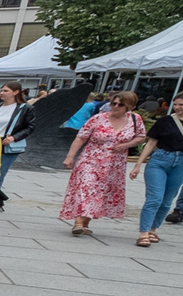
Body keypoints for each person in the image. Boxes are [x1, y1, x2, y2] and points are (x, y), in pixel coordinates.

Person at [61, 90, 145, 235]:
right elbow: (81, 137)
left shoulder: (135, 119)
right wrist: (70, 156)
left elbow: (141, 136)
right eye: (113, 103)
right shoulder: (98, 118)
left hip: (114, 165)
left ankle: (85, 223)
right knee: (87, 187)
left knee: (100, 192)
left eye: (120, 105)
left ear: (130, 106)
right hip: (91, 159)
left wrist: (126, 145)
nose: (115, 106)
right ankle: (78, 222)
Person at [132, 89, 183, 244]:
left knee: (167, 201)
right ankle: (143, 232)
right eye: (175, 104)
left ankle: (153, 229)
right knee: (154, 198)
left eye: (181, 104)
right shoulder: (165, 121)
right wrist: (138, 164)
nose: (177, 107)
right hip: (160, 160)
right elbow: (151, 143)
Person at [0, 83, 34, 209]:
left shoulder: (25, 108)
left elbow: (30, 127)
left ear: (16, 92)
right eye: (1, 90)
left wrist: (13, 137)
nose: (2, 93)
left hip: (6, 144)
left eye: (6, 91)